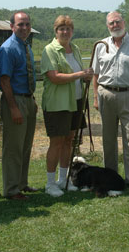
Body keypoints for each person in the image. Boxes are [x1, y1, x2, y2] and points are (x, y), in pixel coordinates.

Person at [92, 11, 129, 191]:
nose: (115, 25)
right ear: (107, 26)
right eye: (111, 23)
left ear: (124, 22)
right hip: (106, 94)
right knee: (108, 139)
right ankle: (110, 177)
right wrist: (95, 96)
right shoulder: (101, 45)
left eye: (117, 22)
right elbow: (95, 73)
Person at [40, 15, 93, 197]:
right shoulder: (50, 50)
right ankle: (50, 183)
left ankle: (64, 179)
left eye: (68, 28)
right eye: (61, 28)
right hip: (57, 104)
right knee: (56, 142)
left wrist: (87, 76)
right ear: (55, 31)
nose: (65, 32)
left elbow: (79, 74)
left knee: (69, 141)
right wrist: (80, 74)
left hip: (75, 101)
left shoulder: (75, 49)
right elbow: (54, 77)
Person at [0, 11, 38, 200]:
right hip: (15, 100)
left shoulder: (26, 46)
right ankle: (11, 189)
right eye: (20, 24)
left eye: (27, 24)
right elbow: (5, 81)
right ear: (12, 27)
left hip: (28, 99)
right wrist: (13, 108)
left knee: (25, 146)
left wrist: (32, 100)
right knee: (13, 148)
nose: (24, 28)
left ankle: (22, 183)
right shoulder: (8, 48)